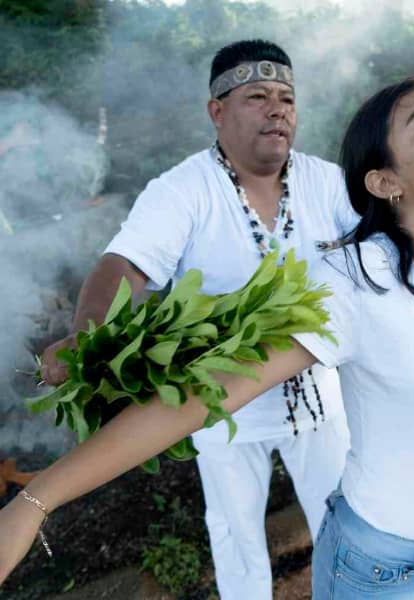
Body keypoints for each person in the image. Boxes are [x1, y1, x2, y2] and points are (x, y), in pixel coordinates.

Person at [0, 78, 414, 598]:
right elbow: (201, 399)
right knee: (237, 539)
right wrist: (35, 503)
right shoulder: (354, 286)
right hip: (379, 567)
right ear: (385, 181)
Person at [37, 39, 357, 599]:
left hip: (322, 400)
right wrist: (86, 340)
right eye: (257, 96)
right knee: (236, 542)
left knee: (347, 531)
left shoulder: (327, 182)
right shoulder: (183, 189)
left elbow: (380, 252)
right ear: (217, 110)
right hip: (218, 405)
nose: (278, 109)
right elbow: (125, 265)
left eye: (286, 97)